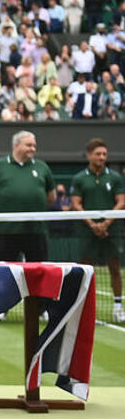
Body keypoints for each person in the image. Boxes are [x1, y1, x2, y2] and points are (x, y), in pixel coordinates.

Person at [70, 138, 125, 322]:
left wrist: (106, 223)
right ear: (89, 156)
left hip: (112, 229)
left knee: (115, 267)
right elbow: (76, 204)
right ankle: (82, 307)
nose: (102, 157)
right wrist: (93, 224)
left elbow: (121, 202)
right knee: (85, 267)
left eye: (104, 154)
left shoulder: (115, 177)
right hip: (88, 230)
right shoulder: (79, 178)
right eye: (98, 154)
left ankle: (118, 306)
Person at [0, 131, 56, 262]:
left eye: (34, 145)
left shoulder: (42, 167)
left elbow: (51, 196)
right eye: (28, 145)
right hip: (7, 230)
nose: (32, 149)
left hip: (36, 230)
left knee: (38, 272)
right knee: (5, 272)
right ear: (16, 145)